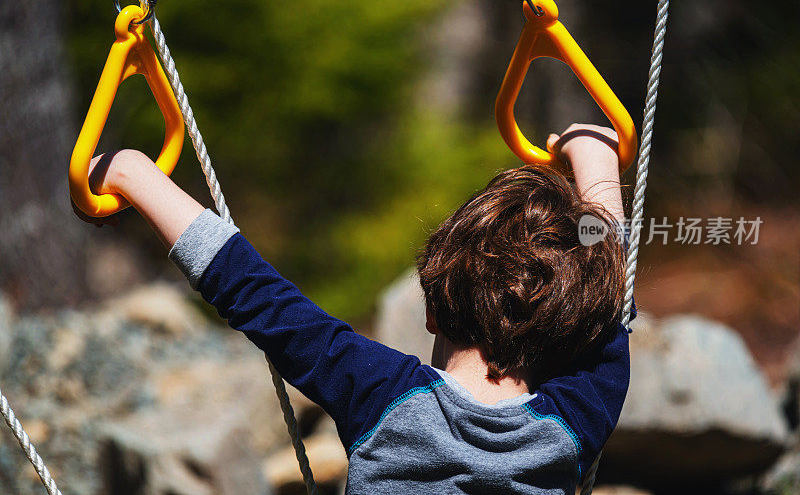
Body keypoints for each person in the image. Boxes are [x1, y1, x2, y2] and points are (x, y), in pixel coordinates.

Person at [74, 123, 630, 494]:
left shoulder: (384, 395)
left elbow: (252, 291)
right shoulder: (570, 424)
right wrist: (596, 159)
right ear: (572, 317)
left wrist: (133, 174)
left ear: (432, 311)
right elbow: (607, 305)